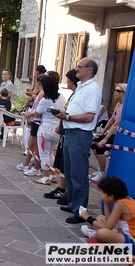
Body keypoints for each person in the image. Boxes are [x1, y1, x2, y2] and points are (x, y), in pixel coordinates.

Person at [54, 57, 102, 224]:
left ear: (90, 70)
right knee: (69, 170)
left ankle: (80, 210)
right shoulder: (81, 87)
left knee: (79, 174)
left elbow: (89, 116)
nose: (76, 70)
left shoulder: (93, 90)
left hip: (80, 134)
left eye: (80, 67)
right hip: (71, 132)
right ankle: (72, 202)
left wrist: (67, 116)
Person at [44, 69, 79, 204]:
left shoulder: (78, 95)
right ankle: (62, 188)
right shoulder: (73, 95)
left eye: (68, 79)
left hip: (72, 132)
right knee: (62, 161)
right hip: (65, 130)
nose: (66, 82)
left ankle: (65, 191)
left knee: (67, 164)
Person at [79, 176, 135, 258]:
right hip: (124, 234)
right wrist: (106, 202)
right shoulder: (124, 200)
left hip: (132, 240)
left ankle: (93, 235)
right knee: (101, 217)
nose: (100, 193)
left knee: (103, 233)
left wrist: (87, 217)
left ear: (111, 196)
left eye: (102, 191)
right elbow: (109, 221)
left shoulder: (120, 204)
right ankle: (108, 244)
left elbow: (108, 227)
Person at [90, 83, 126, 182]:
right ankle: (101, 169)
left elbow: (116, 124)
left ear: (124, 93)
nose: (115, 92)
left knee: (100, 147)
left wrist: (105, 139)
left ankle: (102, 172)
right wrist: (103, 133)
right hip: (112, 132)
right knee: (94, 144)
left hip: (118, 134)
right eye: (114, 90)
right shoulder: (118, 104)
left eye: (118, 91)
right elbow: (111, 120)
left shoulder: (124, 106)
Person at [17, 74, 45, 175]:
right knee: (30, 144)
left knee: (35, 145)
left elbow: (39, 109)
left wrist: (29, 114)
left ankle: (36, 167)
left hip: (37, 120)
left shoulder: (42, 93)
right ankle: (26, 163)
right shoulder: (40, 93)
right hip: (34, 119)